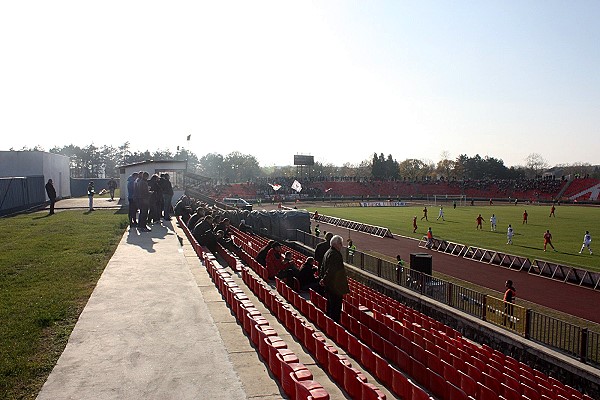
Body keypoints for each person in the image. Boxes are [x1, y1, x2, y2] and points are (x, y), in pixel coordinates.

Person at [320, 235, 349, 322]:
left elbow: (323, 268)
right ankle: (333, 327)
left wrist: (323, 279)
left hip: (330, 286)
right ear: (336, 244)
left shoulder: (328, 252)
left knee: (330, 306)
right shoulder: (334, 254)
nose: (342, 246)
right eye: (340, 244)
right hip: (335, 287)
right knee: (335, 308)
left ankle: (330, 325)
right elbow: (331, 270)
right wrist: (324, 279)